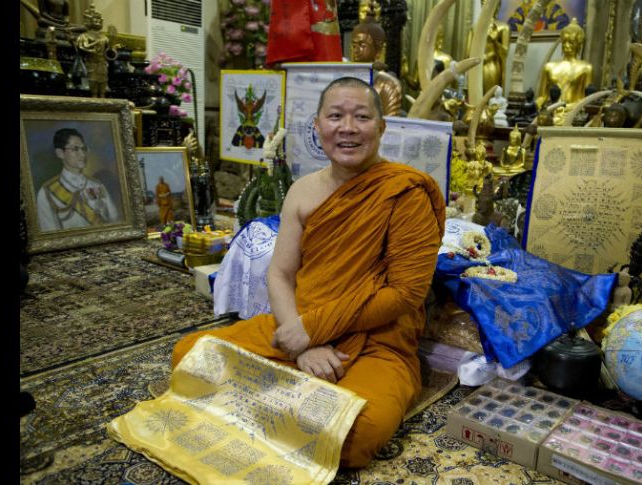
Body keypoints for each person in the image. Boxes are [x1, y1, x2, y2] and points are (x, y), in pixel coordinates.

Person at [171, 77, 445, 468]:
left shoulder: (404, 192)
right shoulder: (302, 190)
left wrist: (311, 330)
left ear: (381, 128)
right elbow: (280, 275)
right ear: (318, 126)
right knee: (189, 355)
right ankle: (299, 405)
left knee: (358, 432)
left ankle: (277, 403)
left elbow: (405, 295)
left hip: (377, 340)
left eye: (362, 117)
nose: (347, 128)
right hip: (299, 325)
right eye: (336, 116)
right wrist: (303, 343)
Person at [36, 128, 120, 231]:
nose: (82, 154)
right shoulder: (47, 192)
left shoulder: (97, 185)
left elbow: (115, 221)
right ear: (60, 153)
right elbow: (50, 236)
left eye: (83, 148)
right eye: (75, 149)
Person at [349, 10, 403, 117]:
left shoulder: (387, 85)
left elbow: (390, 124)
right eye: (354, 46)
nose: (356, 50)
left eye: (362, 45)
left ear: (378, 51)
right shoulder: (343, 79)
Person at [535, 18, 592, 110]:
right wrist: (536, 105)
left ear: (579, 44)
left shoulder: (585, 68)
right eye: (564, 41)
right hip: (549, 112)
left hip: (572, 113)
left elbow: (586, 101)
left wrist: (567, 108)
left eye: (571, 42)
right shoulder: (549, 67)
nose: (566, 46)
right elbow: (542, 96)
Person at [76, 3, 110, 98]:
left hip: (102, 63)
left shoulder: (104, 37)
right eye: (95, 19)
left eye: (99, 19)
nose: (98, 21)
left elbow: (108, 52)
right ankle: (94, 97)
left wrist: (113, 49)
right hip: (91, 62)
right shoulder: (84, 36)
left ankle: (103, 97)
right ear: (89, 21)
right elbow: (83, 47)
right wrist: (94, 46)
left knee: (103, 82)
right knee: (93, 82)